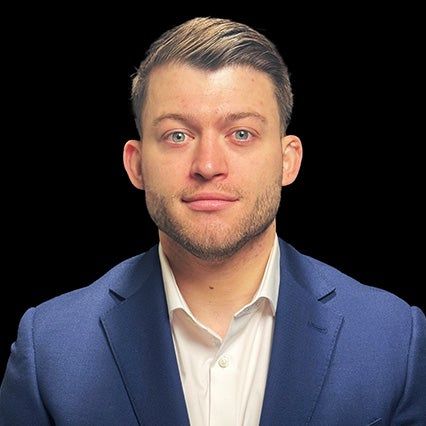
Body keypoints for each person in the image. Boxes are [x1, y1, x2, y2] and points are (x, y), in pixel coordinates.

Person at [1, 16, 425, 426]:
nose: (207, 165)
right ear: (136, 164)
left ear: (287, 161)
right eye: (177, 135)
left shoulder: (393, 338)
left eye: (241, 134)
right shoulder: (50, 348)